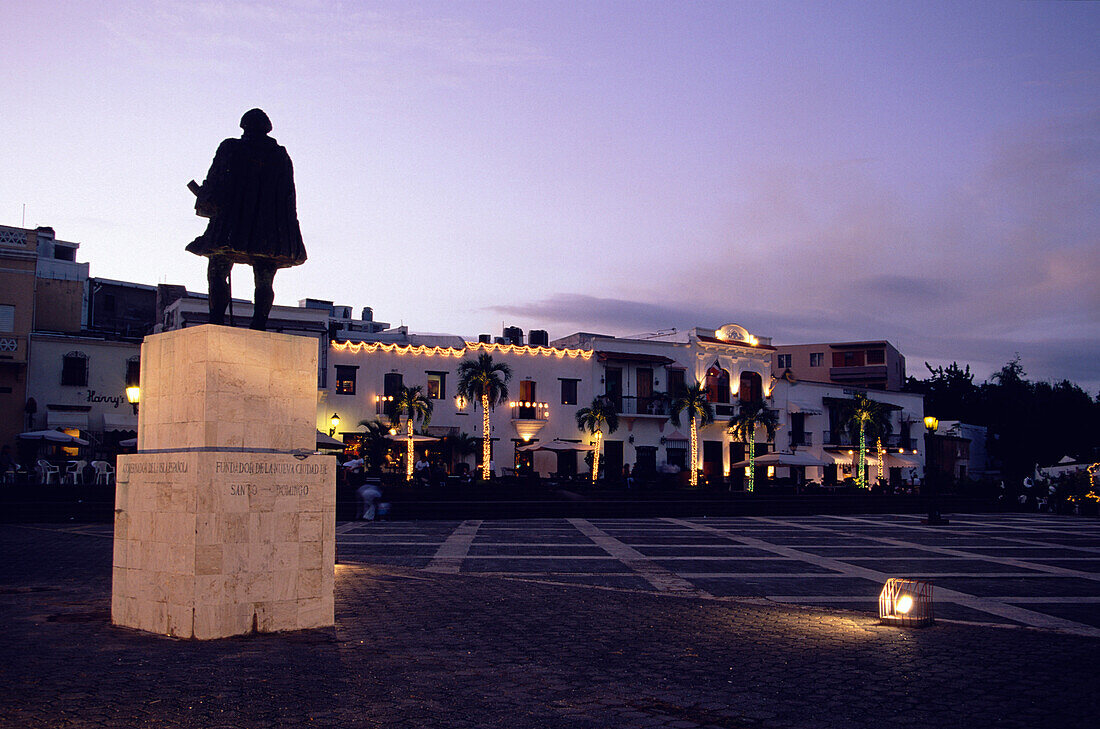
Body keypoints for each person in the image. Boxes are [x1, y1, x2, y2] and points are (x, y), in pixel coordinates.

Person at [187, 108, 307, 331]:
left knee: (217, 269)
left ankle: (216, 319)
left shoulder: (231, 147)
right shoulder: (280, 155)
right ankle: (258, 324)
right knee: (264, 278)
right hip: (268, 233)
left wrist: (206, 199)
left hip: (232, 226)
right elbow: (289, 196)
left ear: (244, 127)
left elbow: (215, 179)